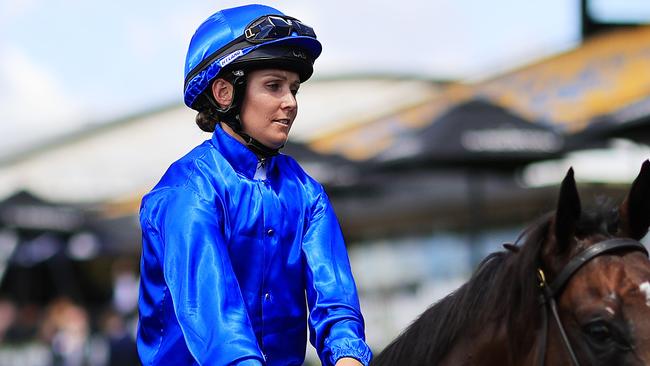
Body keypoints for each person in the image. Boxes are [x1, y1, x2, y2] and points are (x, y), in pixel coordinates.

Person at [137, 4, 372, 366]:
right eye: (274, 86)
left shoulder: (307, 193)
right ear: (224, 92)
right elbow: (219, 329)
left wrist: (348, 357)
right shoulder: (188, 192)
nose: (290, 103)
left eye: (294, 89)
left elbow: (335, 301)